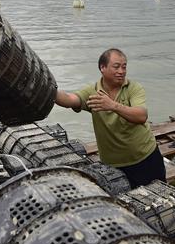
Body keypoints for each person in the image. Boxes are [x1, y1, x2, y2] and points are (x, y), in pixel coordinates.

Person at [54, 48, 165, 187]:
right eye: (116, 66)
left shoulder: (133, 88)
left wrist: (113, 105)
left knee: (159, 197)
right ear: (102, 67)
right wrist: (51, 90)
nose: (121, 71)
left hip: (145, 158)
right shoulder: (93, 91)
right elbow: (70, 100)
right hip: (113, 165)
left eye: (124, 67)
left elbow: (141, 115)